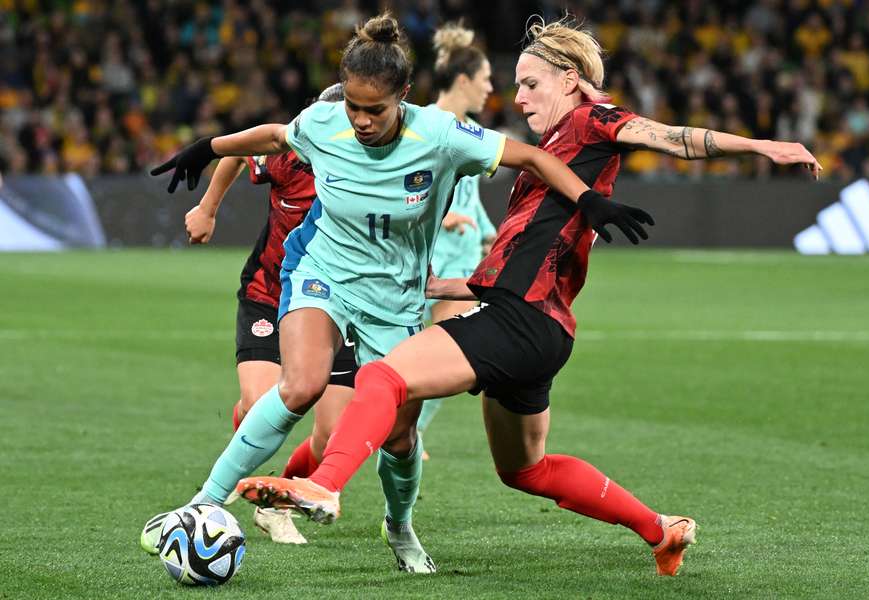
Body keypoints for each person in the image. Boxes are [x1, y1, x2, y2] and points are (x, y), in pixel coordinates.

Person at [236, 17, 822, 577]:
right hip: (544, 328)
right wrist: (453, 286)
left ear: (569, 81)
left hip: (518, 322)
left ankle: (325, 485)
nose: (518, 98)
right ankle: (661, 528)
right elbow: (531, 252)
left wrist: (765, 147)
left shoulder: (593, 120)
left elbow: (674, 138)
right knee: (526, 469)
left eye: (529, 83)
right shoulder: (555, 147)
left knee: (383, 378)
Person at [145, 14, 651, 575]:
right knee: (302, 385)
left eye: (374, 110)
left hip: (395, 296)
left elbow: (531, 157)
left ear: (404, 97)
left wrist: (588, 200)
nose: (360, 121)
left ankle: (400, 525)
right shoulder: (324, 121)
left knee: (401, 437)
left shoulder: (440, 135)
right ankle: (200, 505)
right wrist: (205, 147)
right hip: (323, 272)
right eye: (353, 108)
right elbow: (272, 135)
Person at [140, 84, 358, 550]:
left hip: (337, 306)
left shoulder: (365, 168)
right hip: (268, 292)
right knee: (265, 401)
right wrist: (207, 207)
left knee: (332, 435)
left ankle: (274, 493)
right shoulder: (288, 157)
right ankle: (254, 502)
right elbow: (240, 154)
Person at [416, 22, 497, 458]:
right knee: (402, 353)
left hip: (462, 262)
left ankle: (412, 431)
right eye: (485, 78)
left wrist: (488, 234)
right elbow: (408, 183)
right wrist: (436, 213)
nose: (490, 88)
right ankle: (387, 424)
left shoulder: (473, 132)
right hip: (425, 257)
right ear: (463, 80)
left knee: (450, 357)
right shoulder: (426, 124)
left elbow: (471, 196)